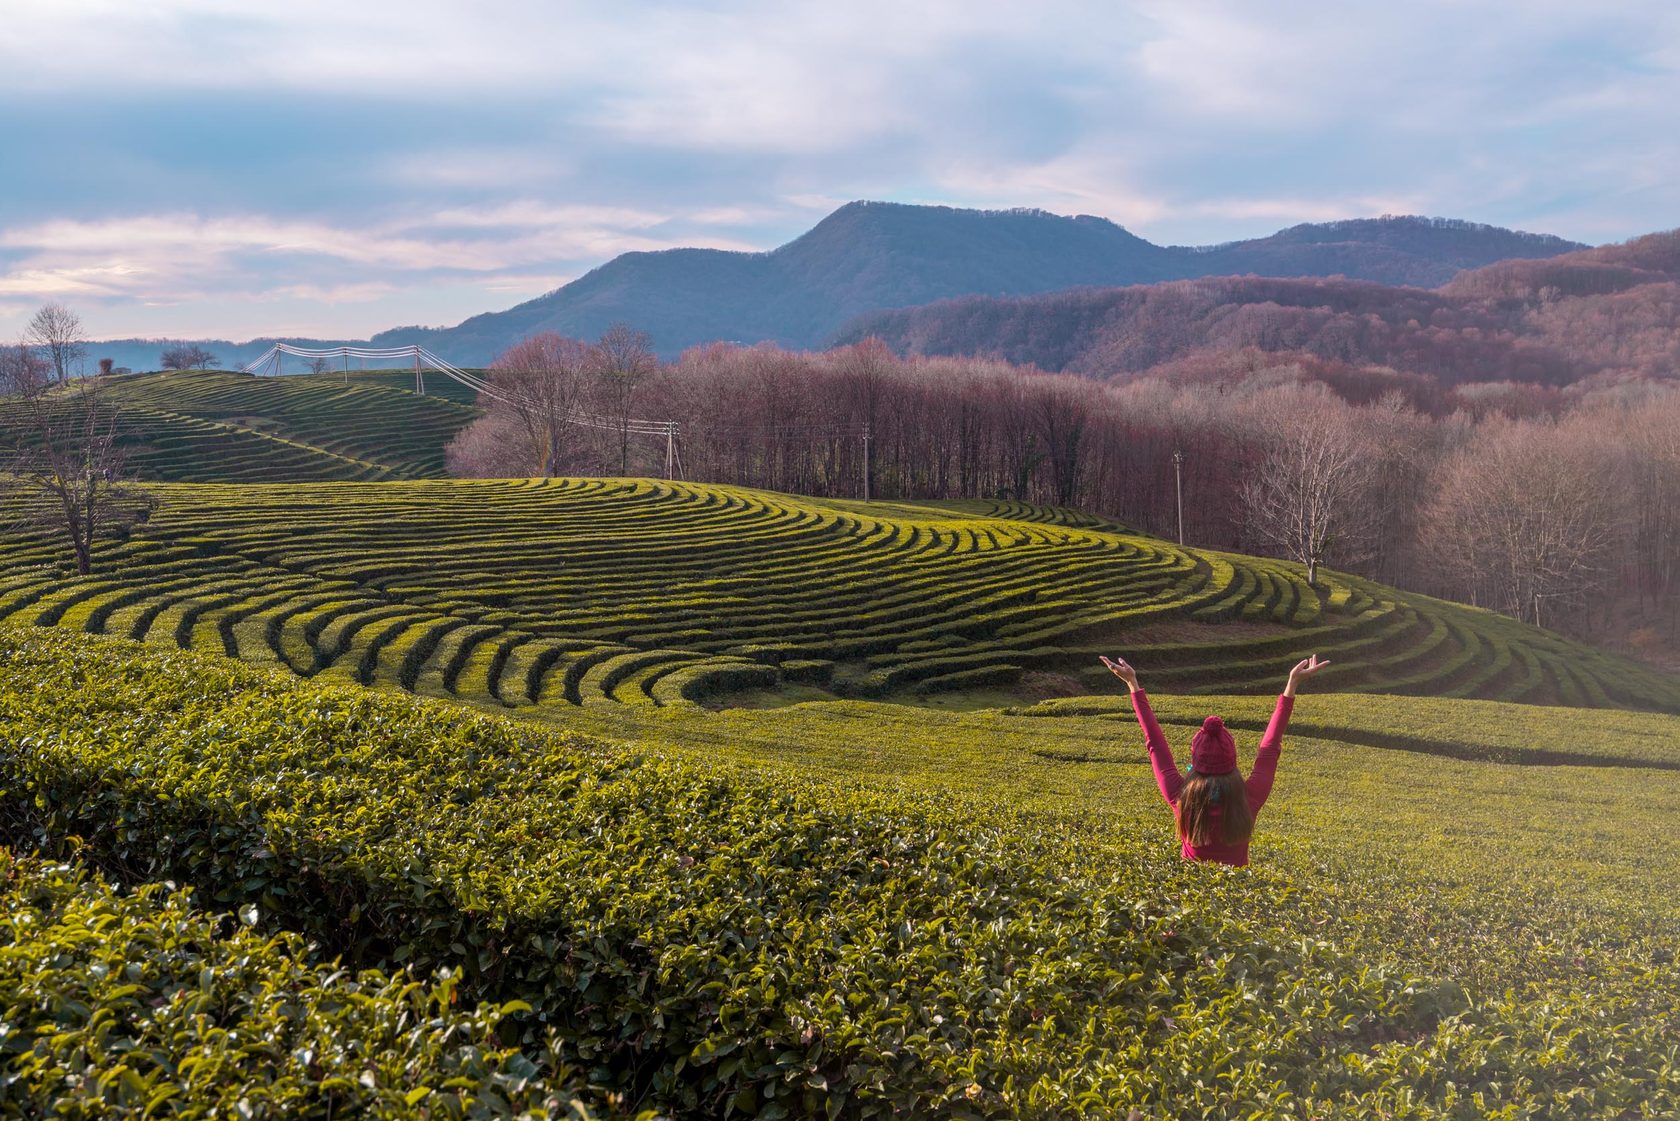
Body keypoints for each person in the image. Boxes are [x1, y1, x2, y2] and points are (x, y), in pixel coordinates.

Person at [1099, 654, 1329, 867]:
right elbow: (1270, 748)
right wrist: (1292, 685)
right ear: (1231, 761)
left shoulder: (1181, 799)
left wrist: (1133, 684)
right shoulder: (1248, 800)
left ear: (1196, 762)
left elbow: (1155, 744)